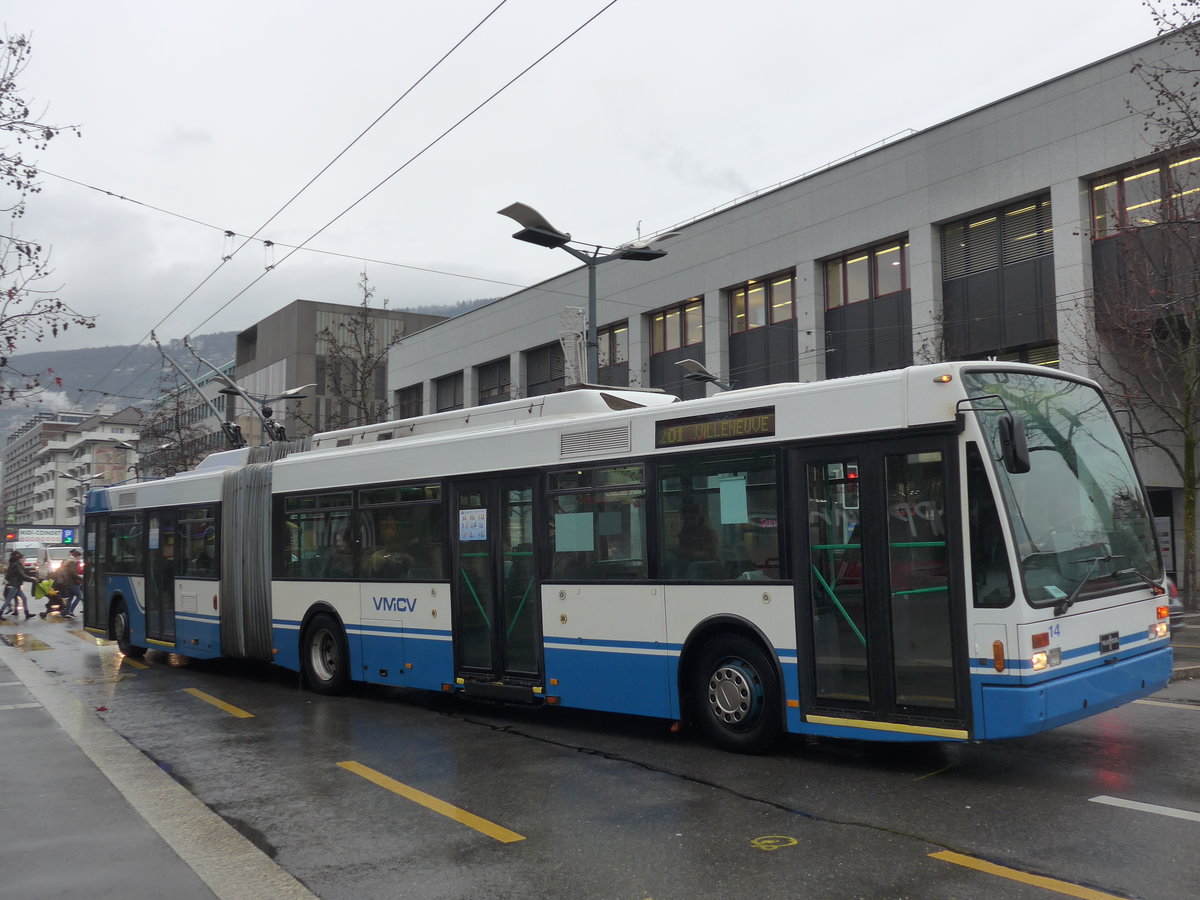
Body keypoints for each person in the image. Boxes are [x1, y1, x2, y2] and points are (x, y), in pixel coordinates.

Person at [3, 550, 39, 620]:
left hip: (16, 585)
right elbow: (22, 575)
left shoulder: (14, 564)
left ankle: (26, 613)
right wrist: (32, 579)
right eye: (24, 558)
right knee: (8, 600)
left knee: (23, 598)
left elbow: (20, 575)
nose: (25, 559)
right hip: (14, 586)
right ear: (20, 559)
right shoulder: (17, 566)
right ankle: (2, 612)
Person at [59, 548, 85, 619]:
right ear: (76, 556)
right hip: (72, 583)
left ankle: (67, 612)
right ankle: (71, 611)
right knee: (79, 596)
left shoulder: (68, 562)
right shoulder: (72, 562)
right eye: (79, 557)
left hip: (68, 582)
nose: (79, 558)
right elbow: (73, 573)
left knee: (70, 598)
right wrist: (81, 578)